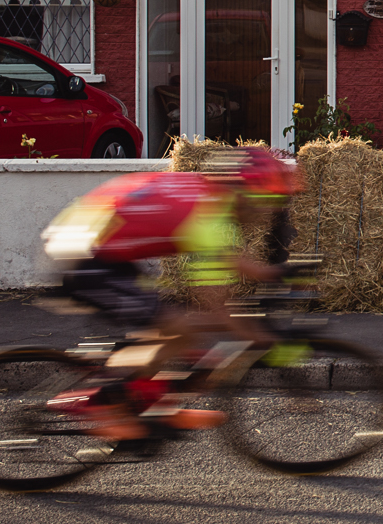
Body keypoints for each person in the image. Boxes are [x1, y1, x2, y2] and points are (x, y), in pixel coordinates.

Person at [40, 146, 298, 443]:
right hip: (85, 253)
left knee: (168, 326)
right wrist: (259, 338)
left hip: (99, 246)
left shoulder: (207, 197)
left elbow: (227, 258)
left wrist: (271, 274)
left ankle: (148, 401)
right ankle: (102, 402)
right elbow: (215, 304)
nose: (265, 214)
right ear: (245, 195)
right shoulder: (207, 217)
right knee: (178, 328)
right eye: (263, 204)